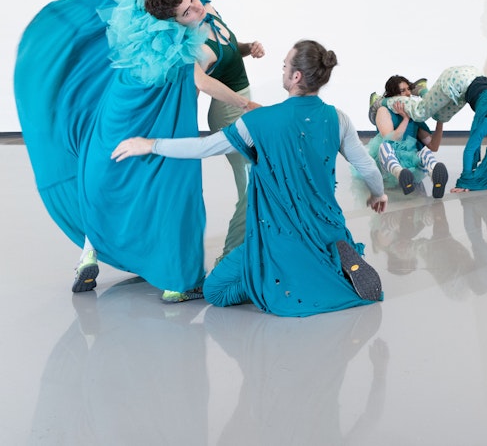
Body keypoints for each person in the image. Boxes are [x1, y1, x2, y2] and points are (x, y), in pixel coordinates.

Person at [15, 0, 252, 303]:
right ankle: (177, 280)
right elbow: (200, 79)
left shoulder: (140, 7)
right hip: (149, 113)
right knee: (171, 185)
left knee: (105, 174)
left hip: (118, 106)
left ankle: (90, 253)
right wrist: (248, 103)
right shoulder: (175, 36)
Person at [112, 40, 390, 317]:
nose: (282, 70)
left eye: (285, 66)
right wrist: (379, 194)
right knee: (305, 256)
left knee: (216, 291)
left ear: (296, 77)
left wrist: (151, 145)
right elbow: (367, 167)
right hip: (328, 228)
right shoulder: (338, 118)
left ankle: (275, 274)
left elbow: (204, 147)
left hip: (279, 237)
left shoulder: (261, 121)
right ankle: (332, 260)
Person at [153, 0, 265, 261]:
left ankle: (250, 249)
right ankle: (230, 257)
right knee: (251, 186)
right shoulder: (194, 45)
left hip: (243, 104)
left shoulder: (207, 9)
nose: (196, 6)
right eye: (187, 9)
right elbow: (201, 82)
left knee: (258, 181)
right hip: (230, 112)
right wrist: (246, 103)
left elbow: (229, 49)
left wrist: (247, 48)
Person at [380, 66, 487, 191]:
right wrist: (465, 181)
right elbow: (470, 149)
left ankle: (422, 91)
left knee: (442, 116)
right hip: (458, 80)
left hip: (470, 81)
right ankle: (383, 101)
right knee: (420, 113)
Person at [367, 75, 448, 198]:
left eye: (409, 89)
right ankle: (401, 174)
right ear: (393, 94)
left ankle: (436, 176)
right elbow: (391, 138)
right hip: (388, 163)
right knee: (385, 146)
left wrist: (440, 121)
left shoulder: (414, 116)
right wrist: (405, 119)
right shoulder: (383, 110)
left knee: (424, 152)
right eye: (403, 90)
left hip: (411, 164)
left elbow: (433, 146)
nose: (408, 93)